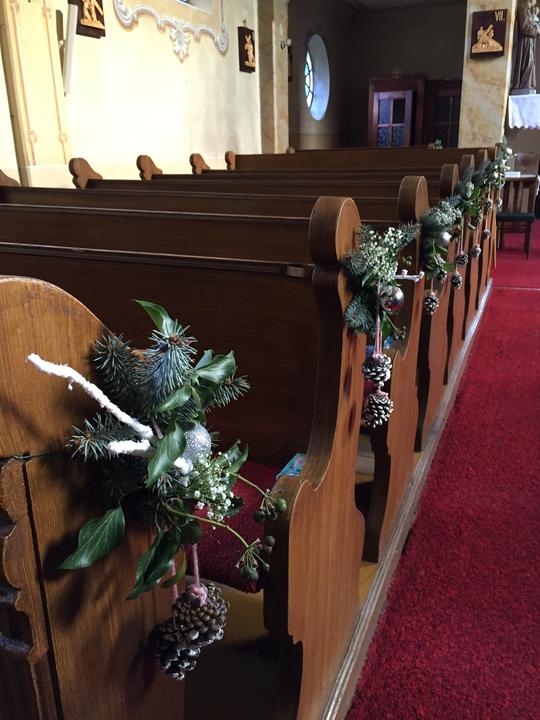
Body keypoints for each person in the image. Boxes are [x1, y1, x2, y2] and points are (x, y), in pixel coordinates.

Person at [512, 0, 540, 91]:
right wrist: (536, 30)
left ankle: (526, 85)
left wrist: (534, 15)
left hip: (529, 42)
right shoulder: (523, 8)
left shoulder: (528, 9)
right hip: (524, 43)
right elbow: (524, 27)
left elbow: (530, 22)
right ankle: (522, 85)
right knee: (526, 63)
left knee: (529, 63)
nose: (535, 2)